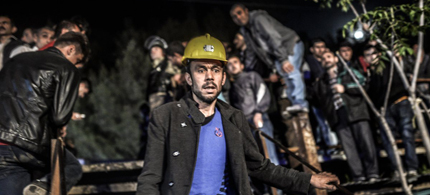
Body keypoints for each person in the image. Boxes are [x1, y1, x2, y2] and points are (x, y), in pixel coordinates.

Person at [136, 33, 339, 195]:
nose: (209, 77)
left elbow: (260, 168)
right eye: (200, 70)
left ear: (223, 78)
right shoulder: (166, 116)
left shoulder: (233, 118)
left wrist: (310, 179)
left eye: (215, 70)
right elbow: (150, 179)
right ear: (188, 78)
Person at [0, 31, 90, 195]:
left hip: (2, 143)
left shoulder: (15, 60)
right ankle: (41, 188)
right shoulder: (66, 68)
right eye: (77, 61)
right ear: (70, 50)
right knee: (71, 167)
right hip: (29, 145)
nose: (76, 66)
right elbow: (59, 117)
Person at [313, 50, 380, 182]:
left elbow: (363, 85)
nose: (326, 60)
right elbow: (318, 100)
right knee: (349, 149)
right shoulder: (321, 81)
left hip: (356, 111)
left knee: (366, 144)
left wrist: (345, 88)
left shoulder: (348, 70)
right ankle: (358, 176)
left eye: (328, 57)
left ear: (335, 59)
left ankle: (373, 174)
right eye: (322, 59)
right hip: (338, 116)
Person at [230, 3, 308, 114]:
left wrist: (283, 59)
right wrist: (245, 70)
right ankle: (295, 104)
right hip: (277, 54)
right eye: (234, 16)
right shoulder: (245, 31)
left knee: (291, 71)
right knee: (285, 78)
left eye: (239, 13)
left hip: (289, 45)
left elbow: (273, 37)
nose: (238, 17)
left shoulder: (258, 19)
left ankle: (301, 102)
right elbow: (253, 52)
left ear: (246, 11)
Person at [364, 44, 419, 183]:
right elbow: (373, 94)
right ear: (365, 58)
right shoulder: (370, 74)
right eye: (368, 55)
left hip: (401, 101)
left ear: (379, 54)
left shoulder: (389, 63)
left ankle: (412, 169)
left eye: (373, 53)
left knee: (407, 134)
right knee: (388, 140)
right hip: (385, 108)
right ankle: (398, 170)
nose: (372, 57)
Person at [304, 38, 338, 153]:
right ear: (312, 49)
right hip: (316, 99)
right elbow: (307, 79)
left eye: (322, 46)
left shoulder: (328, 59)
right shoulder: (308, 61)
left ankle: (337, 146)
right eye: (317, 47)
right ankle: (332, 148)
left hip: (331, 97)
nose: (320, 50)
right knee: (323, 124)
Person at [144, 35, 179, 111]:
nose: (152, 52)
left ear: (163, 52)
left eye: (156, 49)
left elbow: (177, 77)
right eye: (151, 50)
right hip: (153, 103)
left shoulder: (168, 63)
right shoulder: (153, 70)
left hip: (165, 102)